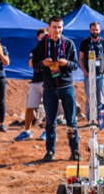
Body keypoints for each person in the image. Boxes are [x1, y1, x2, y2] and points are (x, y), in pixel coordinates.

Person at [32, 16, 80, 162]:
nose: (57, 30)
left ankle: (74, 150)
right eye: (54, 27)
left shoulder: (69, 44)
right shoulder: (41, 45)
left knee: (71, 121)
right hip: (49, 88)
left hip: (67, 88)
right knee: (50, 122)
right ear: (49, 27)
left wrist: (66, 63)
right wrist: (43, 64)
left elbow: (75, 65)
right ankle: (50, 151)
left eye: (59, 27)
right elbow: (35, 65)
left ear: (62, 28)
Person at [15, 28, 49, 141]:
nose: (43, 39)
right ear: (38, 38)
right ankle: (27, 132)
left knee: (48, 107)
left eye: (45, 37)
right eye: (41, 37)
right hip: (35, 82)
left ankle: (47, 132)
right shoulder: (34, 50)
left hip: (47, 82)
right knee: (29, 107)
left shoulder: (52, 50)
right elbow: (30, 64)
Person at [79, 22, 104, 122]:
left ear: (99, 30)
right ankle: (90, 120)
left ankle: (100, 120)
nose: (95, 32)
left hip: (100, 75)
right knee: (89, 98)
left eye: (96, 30)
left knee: (100, 98)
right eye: (93, 30)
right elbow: (80, 59)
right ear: (90, 30)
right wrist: (84, 71)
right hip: (89, 75)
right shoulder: (84, 42)